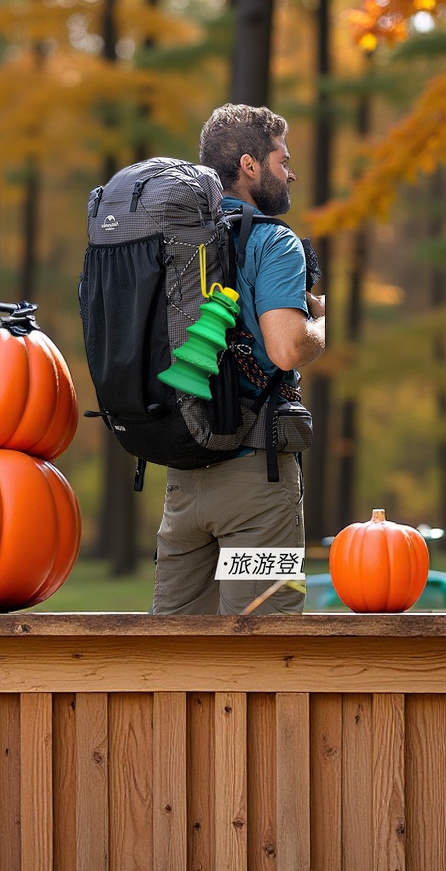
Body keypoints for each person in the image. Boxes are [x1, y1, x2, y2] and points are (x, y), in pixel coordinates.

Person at [150, 103, 326, 615]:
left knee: (178, 650)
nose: (290, 171)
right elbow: (286, 347)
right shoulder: (274, 241)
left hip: (182, 479)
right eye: (282, 159)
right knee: (264, 646)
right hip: (255, 487)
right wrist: (319, 322)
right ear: (249, 165)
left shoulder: (170, 242)